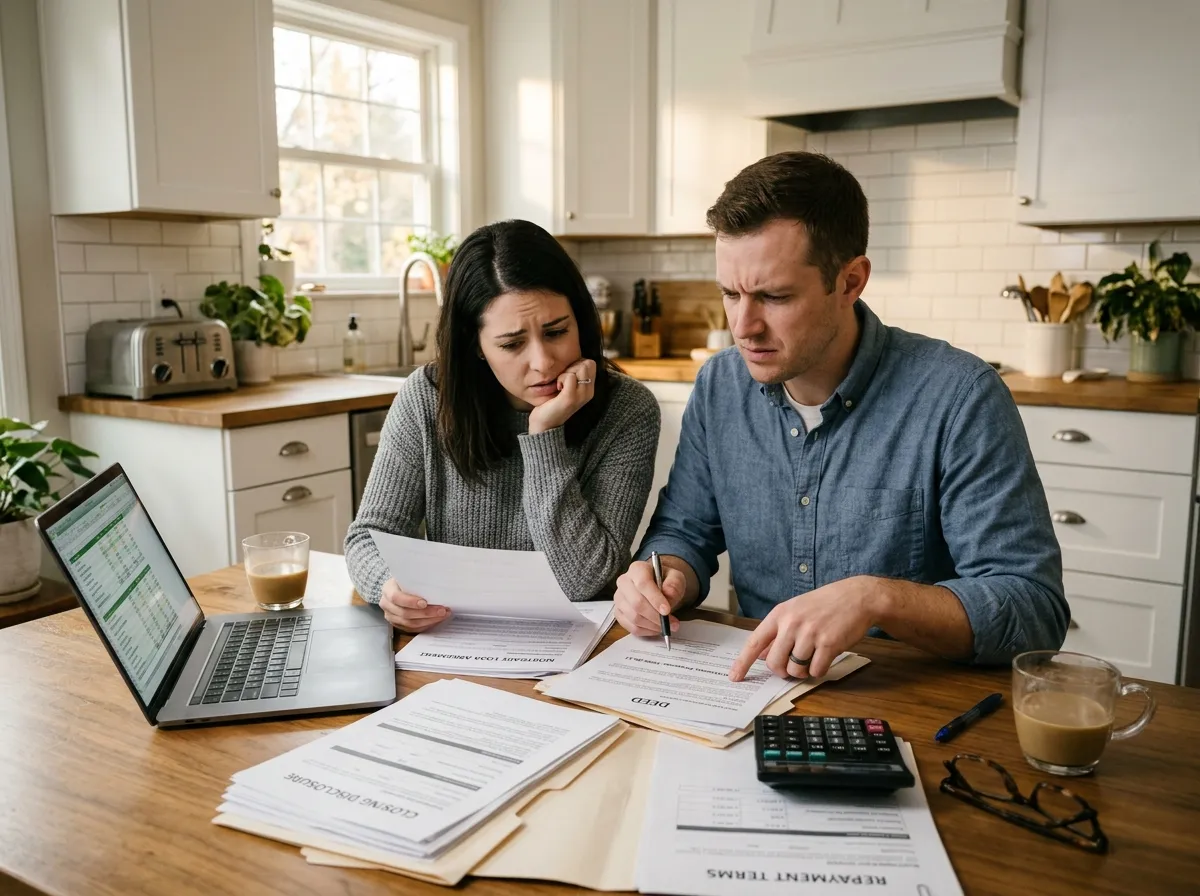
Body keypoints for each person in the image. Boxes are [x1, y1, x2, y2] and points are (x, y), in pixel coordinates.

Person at [614, 151, 1068, 681]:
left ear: (850, 281)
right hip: (754, 689)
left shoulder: (959, 396)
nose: (743, 326)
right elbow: (685, 530)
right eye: (730, 294)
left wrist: (876, 598)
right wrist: (663, 577)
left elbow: (1033, 610)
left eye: (774, 296)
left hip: (906, 699)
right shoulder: (720, 386)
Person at [346, 219, 661, 630]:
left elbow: (585, 580)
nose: (544, 362)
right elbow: (368, 536)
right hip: (455, 640)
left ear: (581, 321)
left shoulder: (629, 410)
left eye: (557, 331)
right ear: (474, 344)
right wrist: (388, 587)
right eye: (512, 344)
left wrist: (545, 436)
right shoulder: (427, 398)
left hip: (577, 646)